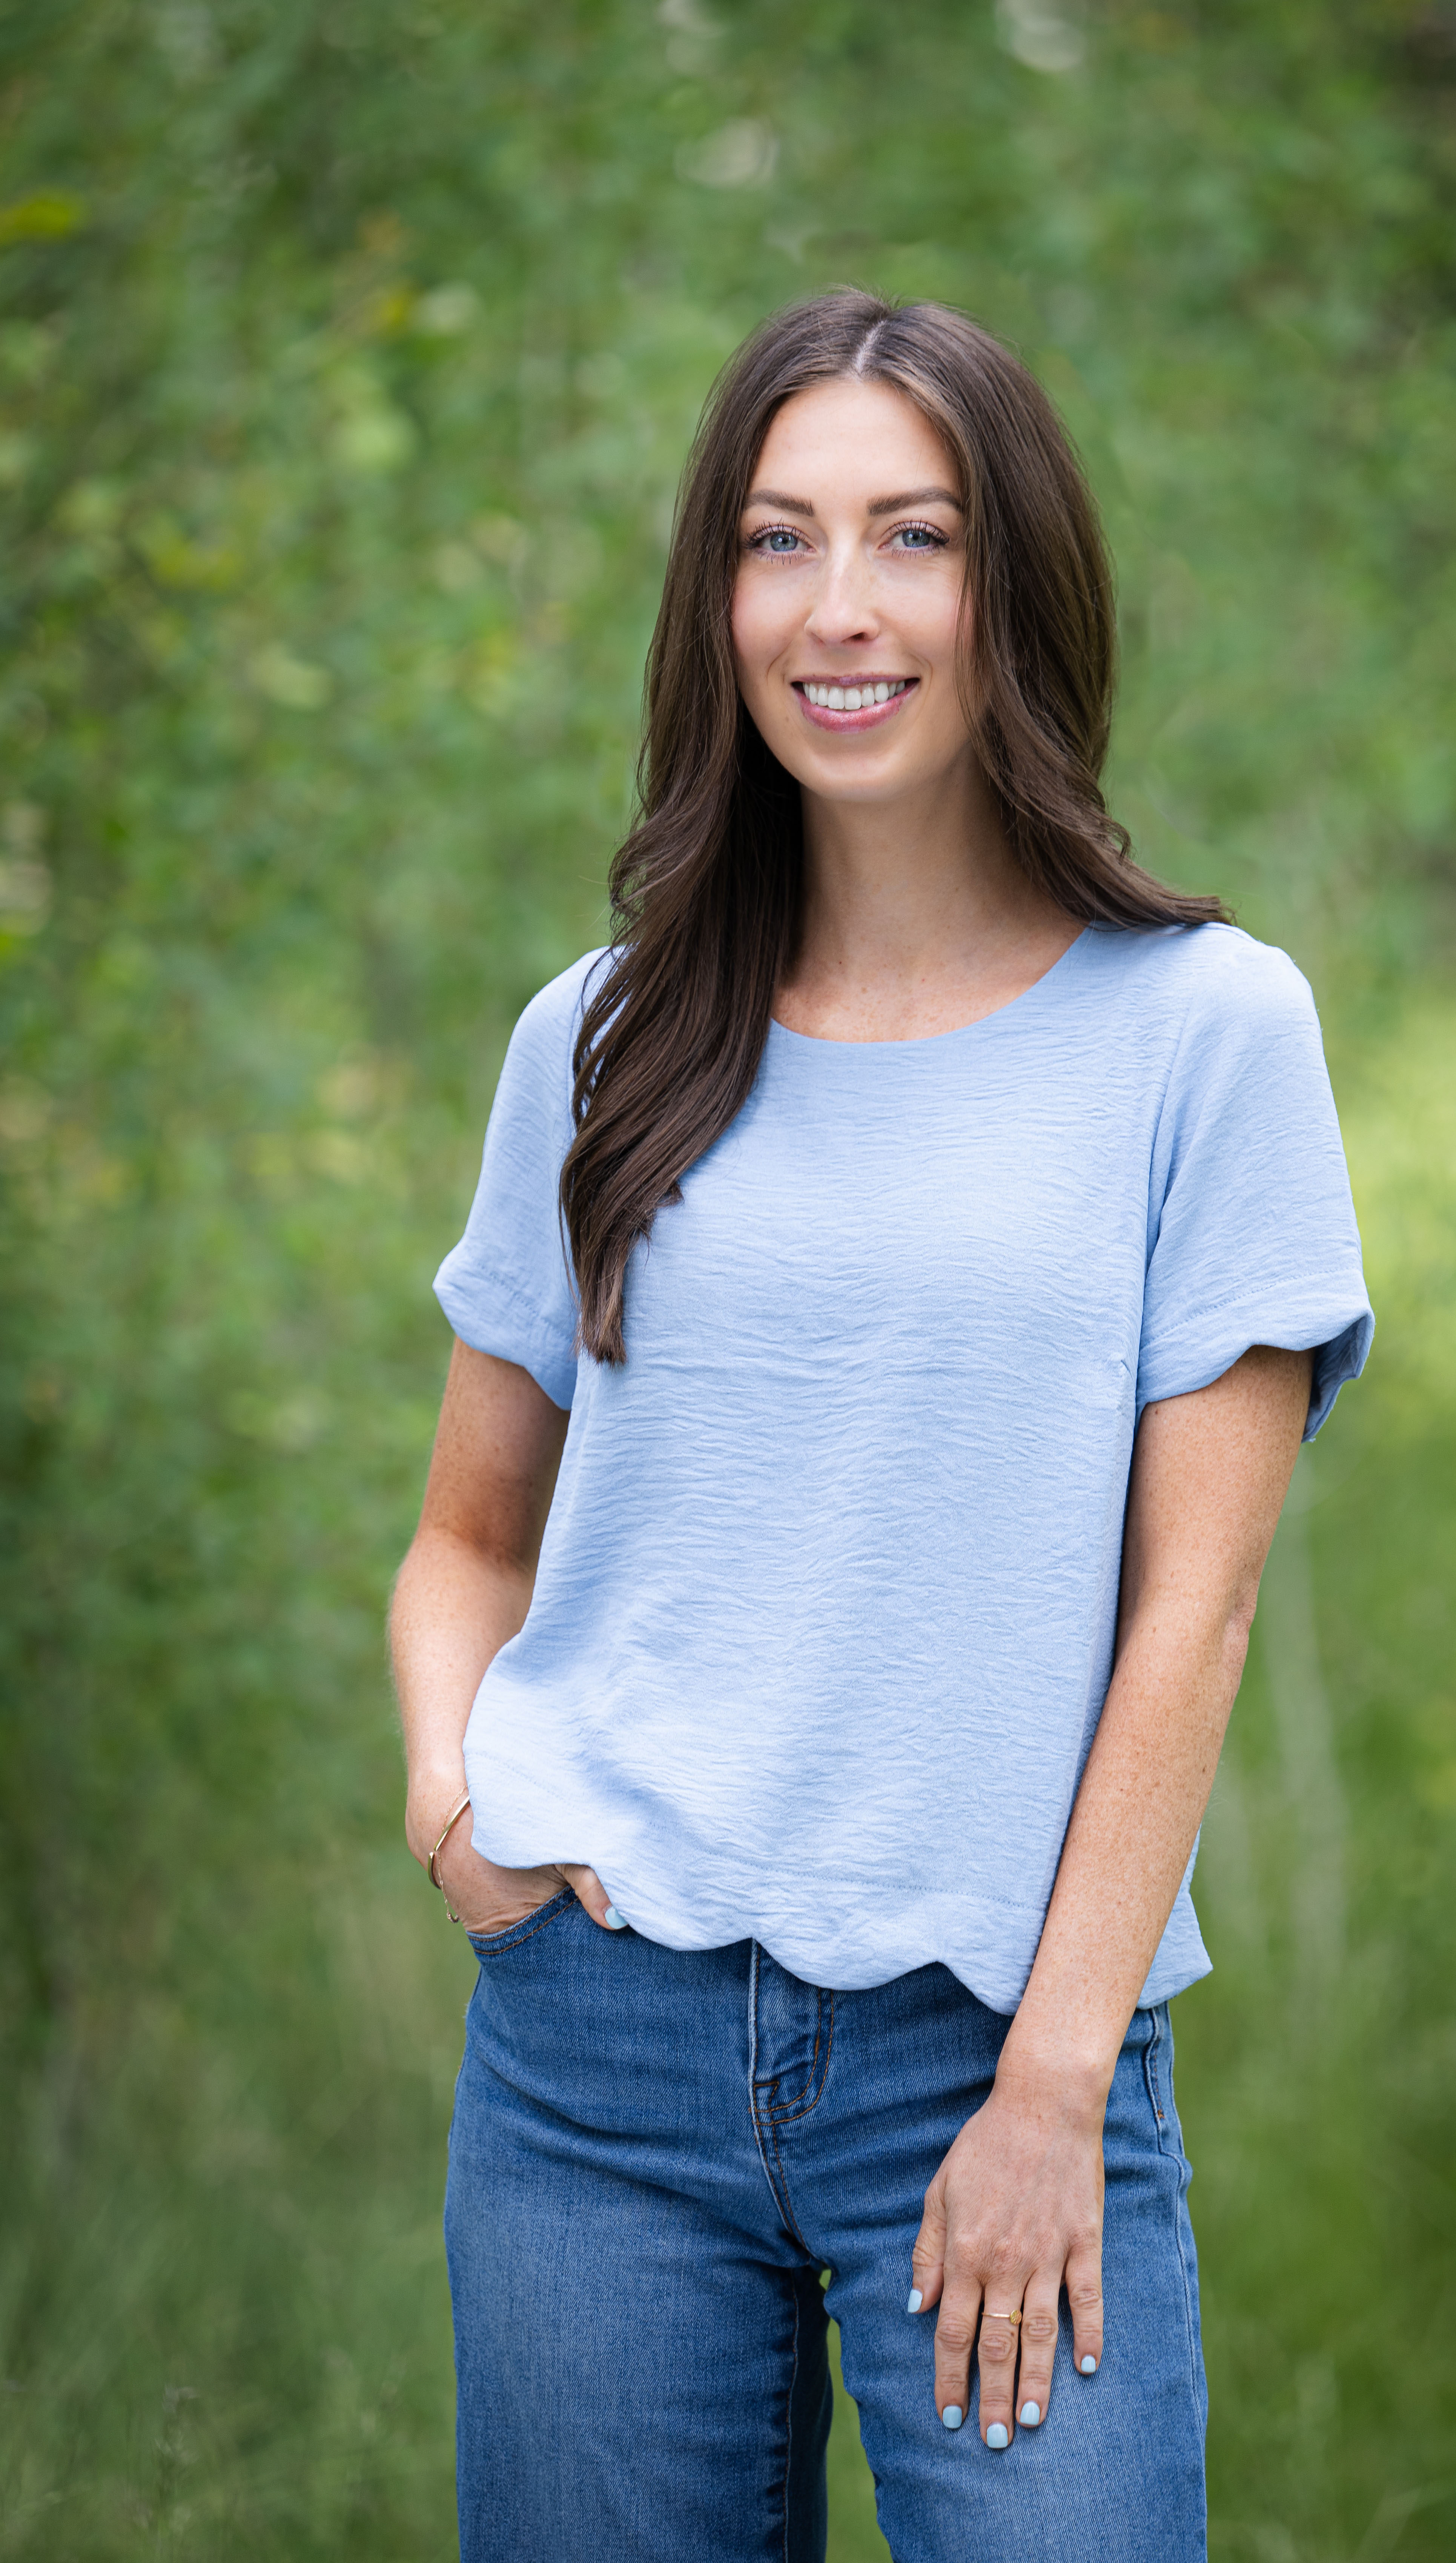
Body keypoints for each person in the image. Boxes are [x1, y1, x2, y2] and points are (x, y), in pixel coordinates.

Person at [390, 289, 1373, 2563]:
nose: (839, 610)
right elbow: (464, 1540)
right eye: (776, 538)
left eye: (910, 538)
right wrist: (459, 1825)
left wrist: (1049, 2084)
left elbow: (1191, 1612)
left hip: (994, 2042)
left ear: (1007, 584)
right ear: (712, 598)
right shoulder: (603, 1035)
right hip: (592, 2066)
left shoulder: (1204, 1035)